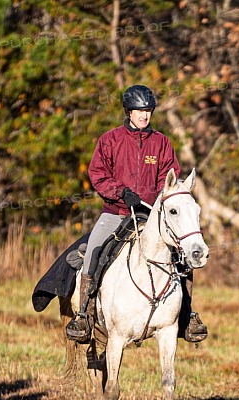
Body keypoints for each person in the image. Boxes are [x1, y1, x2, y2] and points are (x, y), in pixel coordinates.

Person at [66, 85, 207, 343]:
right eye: (140, 111)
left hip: (152, 215)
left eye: (148, 111)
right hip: (116, 212)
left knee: (182, 256)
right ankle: (83, 314)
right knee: (96, 248)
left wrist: (154, 199)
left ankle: (187, 316)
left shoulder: (161, 143)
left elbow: (170, 180)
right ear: (128, 111)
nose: (145, 116)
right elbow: (97, 174)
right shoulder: (110, 140)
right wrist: (120, 192)